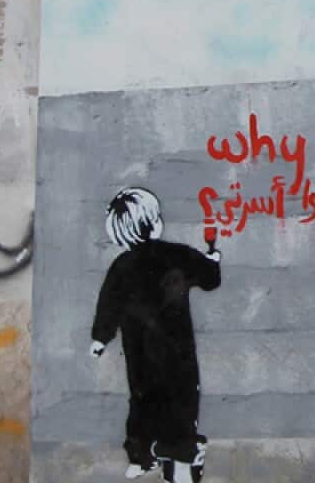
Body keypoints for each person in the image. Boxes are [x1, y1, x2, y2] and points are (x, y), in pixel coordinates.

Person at [91, 187, 222, 483]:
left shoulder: (122, 265)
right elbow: (209, 279)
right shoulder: (177, 255)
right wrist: (213, 260)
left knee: (141, 402)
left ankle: (141, 456)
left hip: (140, 355)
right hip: (178, 353)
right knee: (182, 404)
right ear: (154, 223)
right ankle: (181, 461)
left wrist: (100, 338)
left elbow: (108, 305)